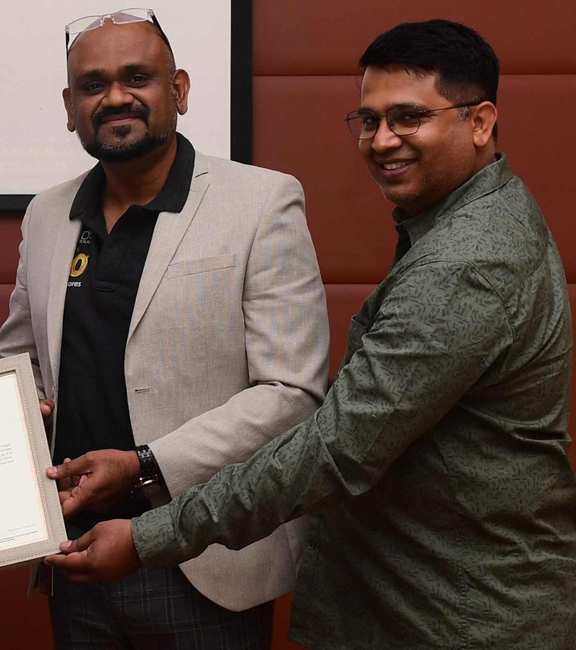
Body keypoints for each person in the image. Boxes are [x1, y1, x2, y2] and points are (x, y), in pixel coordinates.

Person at [47, 18, 576, 650]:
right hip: (427, 597)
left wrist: (147, 534)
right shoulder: (461, 224)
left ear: (481, 122)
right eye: (370, 120)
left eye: (409, 118)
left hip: (462, 612)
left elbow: (337, 446)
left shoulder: (465, 262)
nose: (383, 140)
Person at [0, 8, 329, 649]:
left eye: (136, 77)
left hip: (204, 555)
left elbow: (291, 391)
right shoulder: (47, 214)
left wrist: (144, 466)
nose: (115, 97)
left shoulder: (262, 201)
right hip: (76, 552)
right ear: (70, 107)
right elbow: (24, 362)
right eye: (93, 85)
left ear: (178, 89)